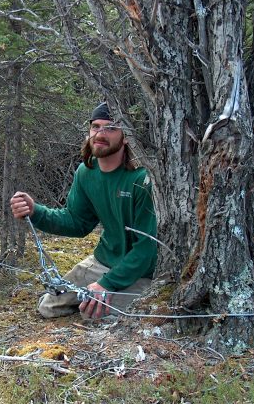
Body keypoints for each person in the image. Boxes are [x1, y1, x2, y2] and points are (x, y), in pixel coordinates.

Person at [10, 102, 157, 320]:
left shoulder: (142, 179)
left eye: (111, 128)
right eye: (96, 126)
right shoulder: (86, 172)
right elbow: (77, 222)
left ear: (126, 137)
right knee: (49, 306)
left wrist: (108, 283)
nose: (101, 133)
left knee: (95, 315)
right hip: (103, 262)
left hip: (140, 271)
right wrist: (35, 212)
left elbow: (147, 248)